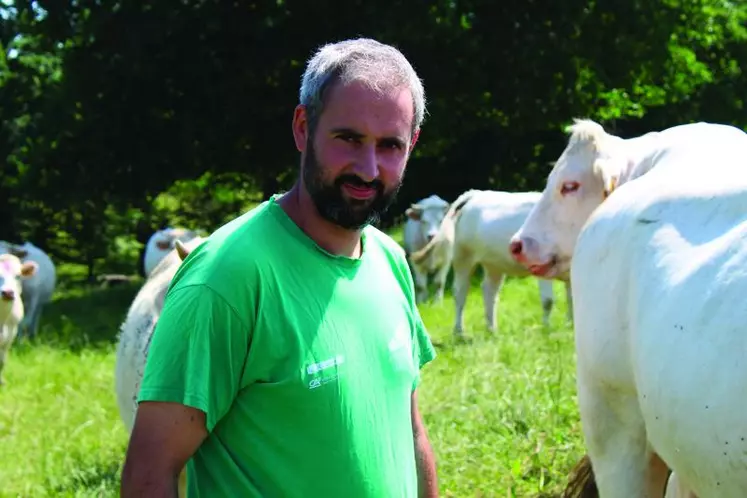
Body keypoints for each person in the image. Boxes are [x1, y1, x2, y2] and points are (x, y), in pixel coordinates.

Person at [120, 37, 439, 498]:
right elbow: (149, 474)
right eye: (348, 138)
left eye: (389, 145)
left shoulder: (389, 262)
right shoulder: (226, 278)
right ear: (303, 128)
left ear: (411, 144)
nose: (368, 169)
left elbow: (409, 431)